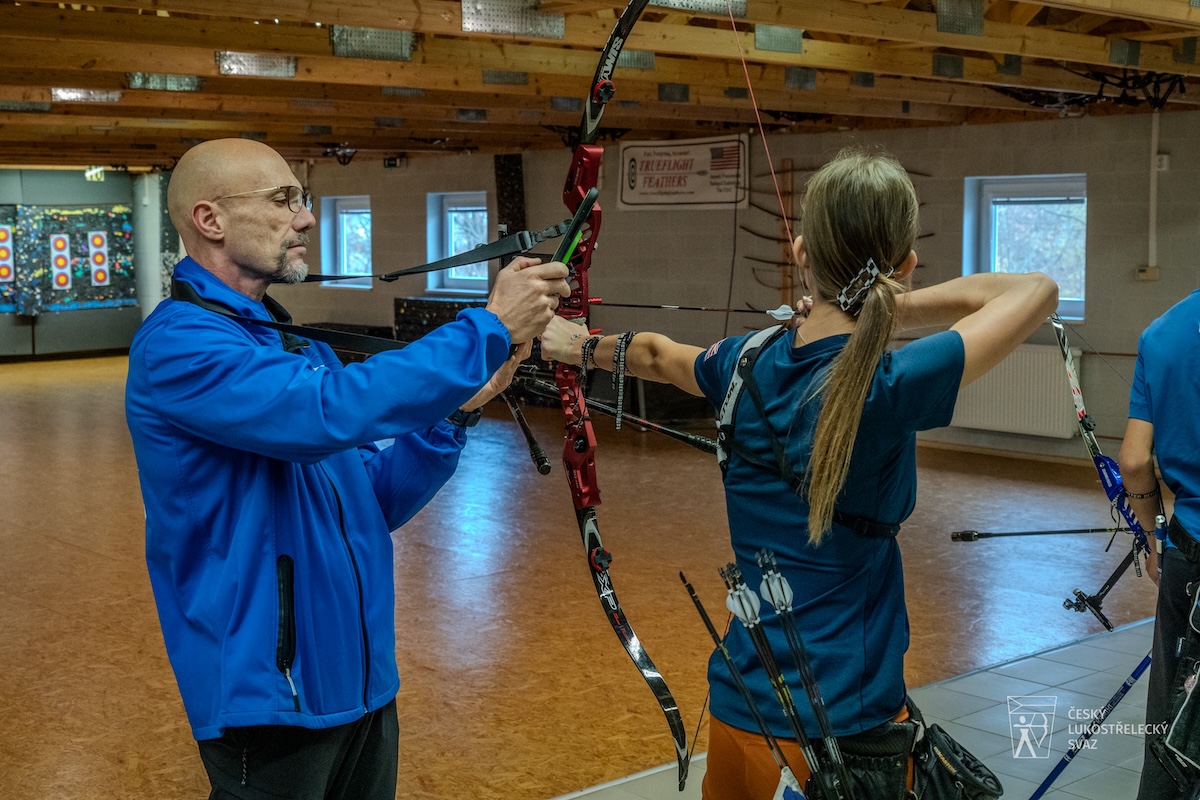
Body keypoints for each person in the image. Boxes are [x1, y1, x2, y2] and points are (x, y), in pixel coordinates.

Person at [539, 148, 1057, 800]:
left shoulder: (743, 362)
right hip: (843, 726)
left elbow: (654, 355)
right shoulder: (889, 384)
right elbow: (1036, 291)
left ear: (800, 251)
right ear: (904, 266)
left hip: (742, 708)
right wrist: (885, 299)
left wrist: (576, 346)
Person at [125, 138, 569, 800]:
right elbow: (326, 413)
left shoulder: (286, 345)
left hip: (360, 681)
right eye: (283, 200)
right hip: (270, 695)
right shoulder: (180, 348)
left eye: (301, 199)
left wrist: (458, 408)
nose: (305, 219)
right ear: (210, 219)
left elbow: (375, 496)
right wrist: (486, 328)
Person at [1118, 290, 1200, 800]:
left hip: (1185, 554)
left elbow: (1133, 461)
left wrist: (1154, 538)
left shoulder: (1162, 332)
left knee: (1171, 721)